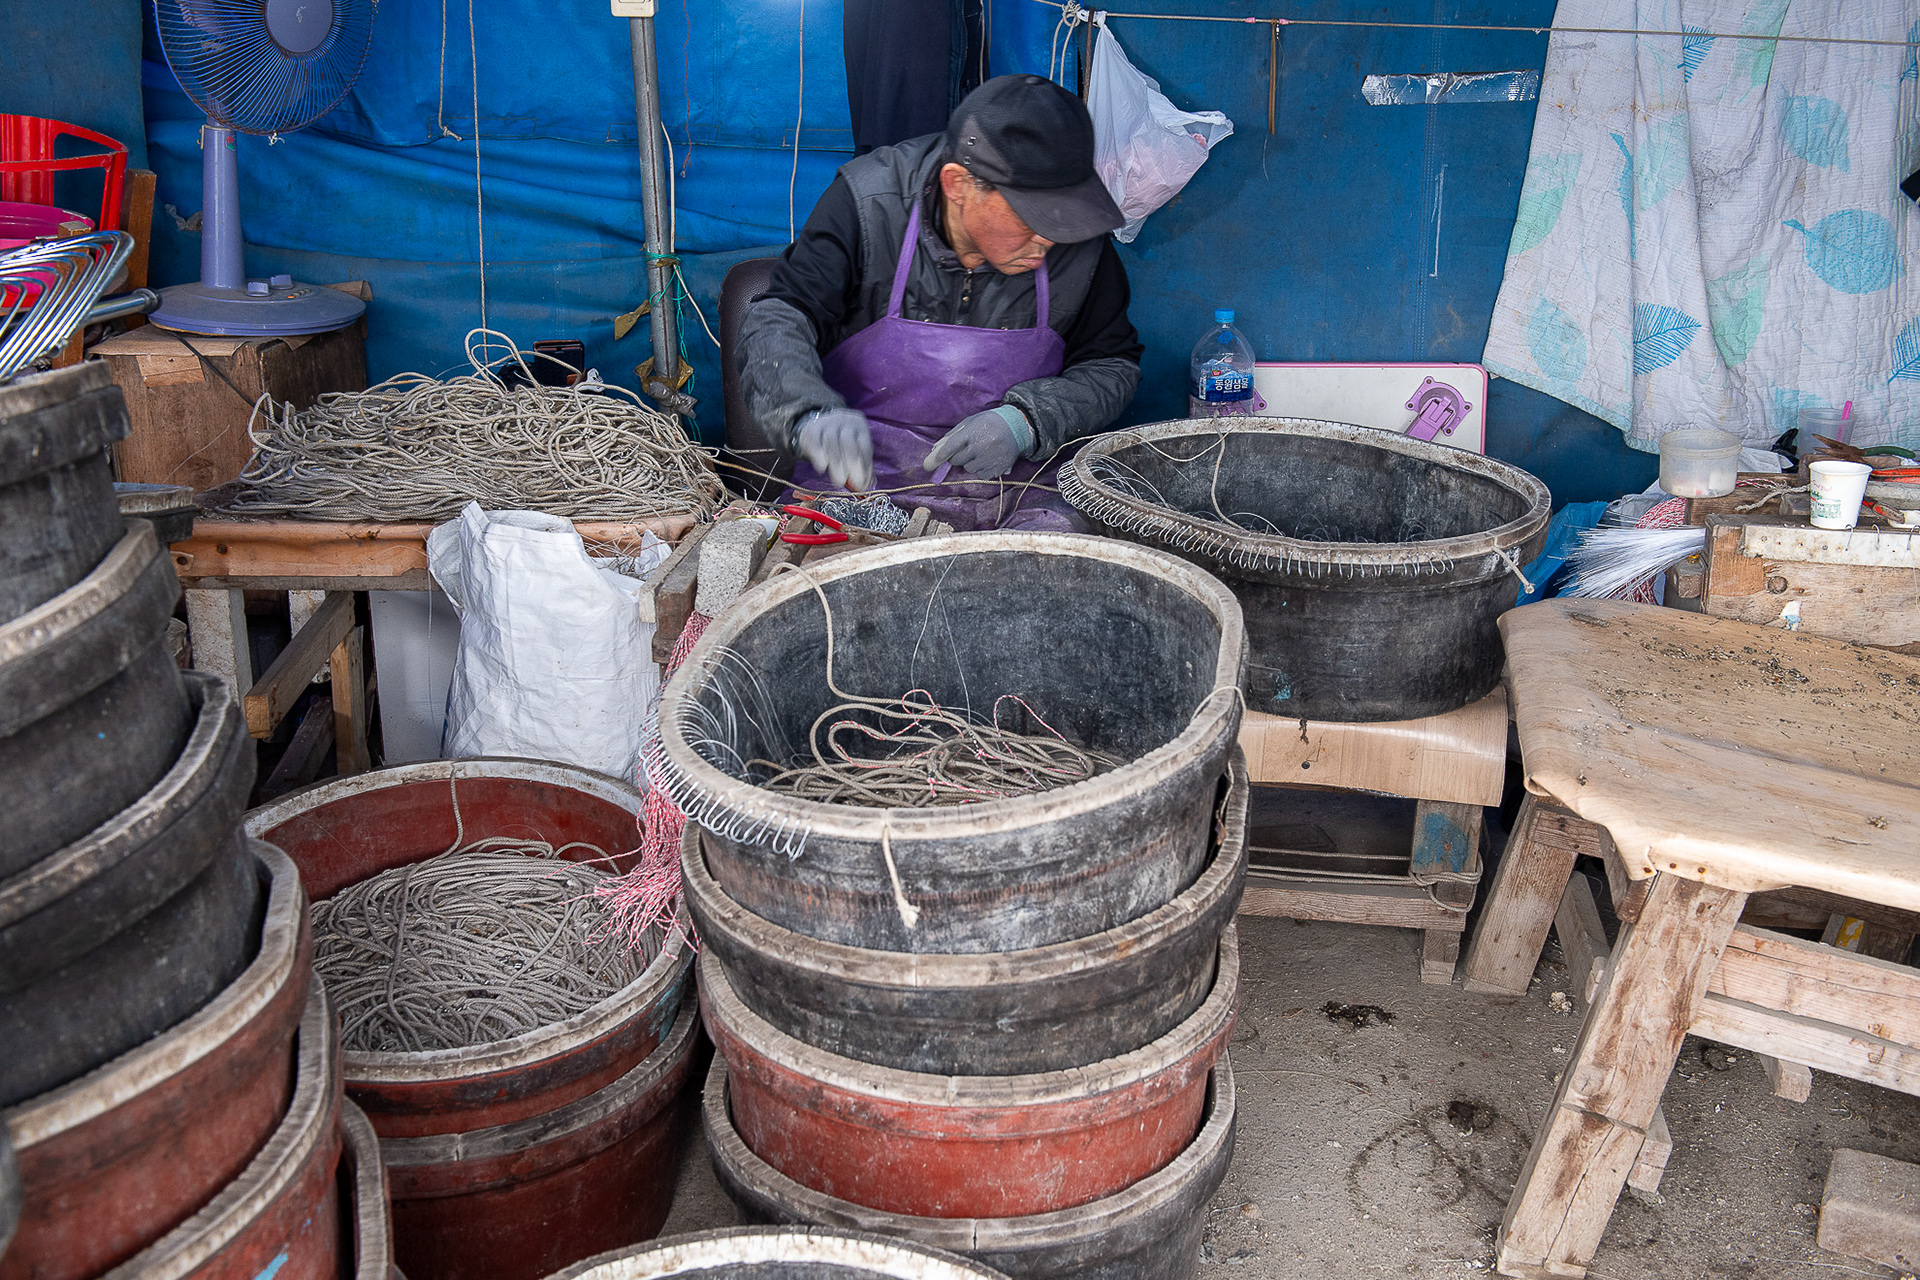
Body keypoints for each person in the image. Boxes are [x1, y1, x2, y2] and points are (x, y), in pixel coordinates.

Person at [735, 73, 1144, 531]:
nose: (1049, 239)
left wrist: (1029, 420)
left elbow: (1112, 366)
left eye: (1062, 218)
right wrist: (805, 409)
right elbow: (779, 316)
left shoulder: (1078, 241)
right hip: (860, 488)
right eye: (1032, 219)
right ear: (957, 185)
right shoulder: (868, 205)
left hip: (1020, 496)